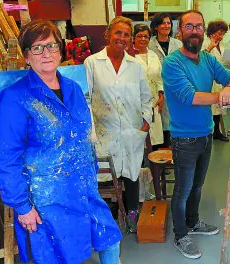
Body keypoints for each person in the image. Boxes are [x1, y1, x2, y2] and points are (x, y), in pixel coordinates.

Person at [0, 20, 121, 263]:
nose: (46, 53)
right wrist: (22, 206)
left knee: (110, 239)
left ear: (60, 50)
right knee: (60, 256)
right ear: (26, 56)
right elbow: (6, 158)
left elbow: (83, 136)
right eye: (37, 48)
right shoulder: (14, 98)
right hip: (48, 201)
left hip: (84, 188)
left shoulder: (73, 88)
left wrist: (92, 169)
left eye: (51, 45)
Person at [161, 10, 230, 259]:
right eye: (190, 26)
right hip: (183, 137)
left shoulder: (208, 59)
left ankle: (193, 221)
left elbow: (229, 77)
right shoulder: (172, 63)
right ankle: (180, 235)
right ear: (181, 30)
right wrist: (223, 96)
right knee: (183, 189)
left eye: (199, 26)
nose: (195, 31)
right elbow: (190, 97)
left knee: (197, 186)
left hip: (206, 133)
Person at [84, 16, 153, 233]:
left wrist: (145, 124)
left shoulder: (135, 66)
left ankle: (132, 214)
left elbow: (146, 97)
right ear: (108, 34)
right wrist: (91, 132)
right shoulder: (92, 63)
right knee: (104, 177)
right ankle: (106, 219)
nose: (122, 38)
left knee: (131, 174)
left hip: (132, 129)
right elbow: (86, 99)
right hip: (104, 133)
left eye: (126, 35)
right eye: (118, 33)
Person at [150, 13, 183, 148]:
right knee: (158, 122)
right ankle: (158, 158)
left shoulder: (178, 44)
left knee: (173, 121)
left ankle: (171, 153)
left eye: (169, 23)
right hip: (156, 87)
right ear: (156, 26)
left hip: (175, 87)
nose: (166, 26)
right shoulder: (150, 44)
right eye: (163, 23)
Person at [132, 23, 165, 148]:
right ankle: (138, 166)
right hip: (136, 102)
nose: (143, 39)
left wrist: (161, 95)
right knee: (138, 137)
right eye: (139, 36)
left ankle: (154, 165)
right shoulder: (129, 56)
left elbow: (159, 77)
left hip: (154, 101)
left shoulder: (153, 55)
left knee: (155, 136)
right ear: (133, 38)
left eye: (146, 36)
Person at [203, 19, 230, 141]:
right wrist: (210, 46)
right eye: (220, 33)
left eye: (223, 33)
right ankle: (210, 131)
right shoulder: (204, 42)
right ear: (212, 32)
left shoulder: (222, 45)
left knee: (218, 106)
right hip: (209, 78)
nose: (222, 36)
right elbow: (200, 58)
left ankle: (217, 131)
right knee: (211, 106)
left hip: (219, 78)